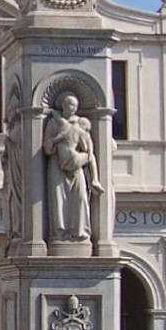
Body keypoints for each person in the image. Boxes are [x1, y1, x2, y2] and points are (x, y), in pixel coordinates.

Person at [43, 92, 103, 243]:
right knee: (58, 199)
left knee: (81, 197)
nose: (73, 107)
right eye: (70, 104)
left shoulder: (80, 125)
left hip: (76, 167)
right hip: (57, 165)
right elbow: (47, 149)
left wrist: (92, 175)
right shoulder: (54, 124)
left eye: (75, 105)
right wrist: (58, 139)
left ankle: (80, 231)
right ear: (63, 105)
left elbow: (89, 151)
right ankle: (59, 232)